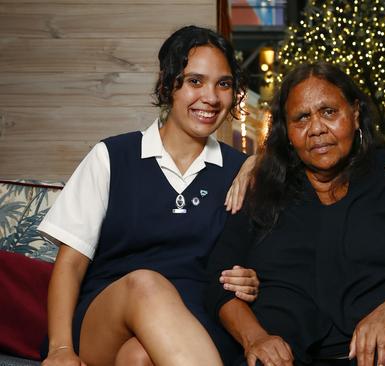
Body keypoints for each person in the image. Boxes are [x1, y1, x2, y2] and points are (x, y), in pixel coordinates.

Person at [205, 62, 385, 366]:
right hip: (286, 353)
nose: (317, 128)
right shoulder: (263, 189)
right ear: (288, 131)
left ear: (355, 113)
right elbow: (219, 281)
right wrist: (255, 338)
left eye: (329, 112)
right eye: (302, 118)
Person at [39, 25, 260, 366]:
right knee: (146, 284)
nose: (212, 97)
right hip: (106, 318)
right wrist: (60, 349)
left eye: (224, 84)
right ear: (167, 84)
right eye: (195, 81)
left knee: (138, 357)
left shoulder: (241, 171)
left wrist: (252, 277)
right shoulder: (111, 157)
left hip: (198, 325)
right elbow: (70, 265)